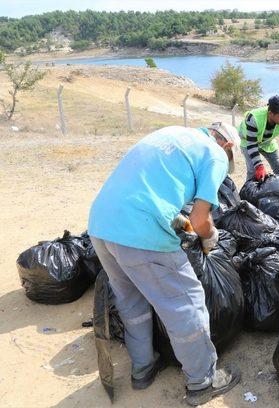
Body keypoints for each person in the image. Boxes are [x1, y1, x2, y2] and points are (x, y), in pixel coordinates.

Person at [87, 124, 241, 406]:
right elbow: (200, 221)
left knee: (131, 298)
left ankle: (142, 369)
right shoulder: (215, 155)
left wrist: (180, 222)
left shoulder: (170, 135)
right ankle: (202, 382)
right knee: (186, 303)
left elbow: (151, 190)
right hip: (139, 231)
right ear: (227, 146)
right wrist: (210, 236)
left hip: (100, 225)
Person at [238, 95, 279, 181]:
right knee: (253, 172)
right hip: (248, 141)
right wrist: (259, 166)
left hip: (267, 142)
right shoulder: (253, 118)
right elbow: (251, 145)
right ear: (271, 113)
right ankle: (247, 194)